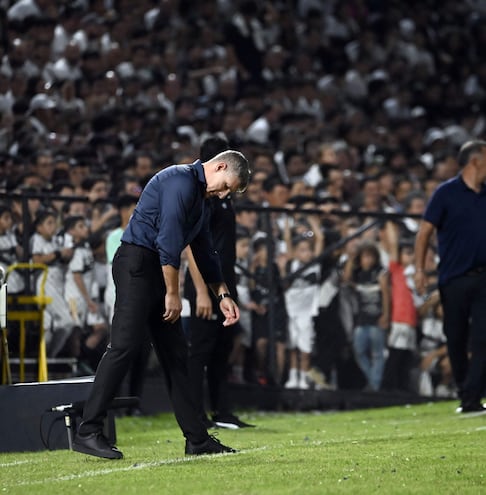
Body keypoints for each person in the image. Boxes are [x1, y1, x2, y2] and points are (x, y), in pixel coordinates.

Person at [72, 150, 251, 459]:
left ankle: (197, 439)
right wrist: (172, 293)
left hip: (156, 268)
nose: (223, 194)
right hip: (138, 264)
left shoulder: (201, 199)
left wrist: (223, 295)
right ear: (220, 166)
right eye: (226, 186)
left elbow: (205, 251)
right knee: (125, 346)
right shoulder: (179, 181)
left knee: (176, 356)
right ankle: (88, 431)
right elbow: (168, 240)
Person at [184, 135, 254, 429]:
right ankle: (195, 414)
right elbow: (191, 245)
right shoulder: (204, 198)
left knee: (223, 347)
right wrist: (201, 291)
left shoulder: (222, 200)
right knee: (200, 349)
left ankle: (222, 411)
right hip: (206, 285)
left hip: (226, 282)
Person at [414, 140, 486, 414]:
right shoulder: (445, 193)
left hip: (484, 279)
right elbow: (424, 233)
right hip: (454, 278)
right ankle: (466, 391)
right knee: (455, 338)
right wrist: (420, 270)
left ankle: (472, 398)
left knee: (483, 337)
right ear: (475, 161)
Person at [342, 240, 390, 392]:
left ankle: (374, 386)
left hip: (377, 319)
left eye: (371, 256)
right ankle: (374, 382)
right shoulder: (358, 273)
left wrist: (386, 315)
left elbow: (386, 295)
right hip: (361, 320)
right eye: (365, 256)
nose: (368, 260)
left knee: (377, 354)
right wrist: (350, 259)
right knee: (359, 352)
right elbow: (346, 278)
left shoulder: (380, 273)